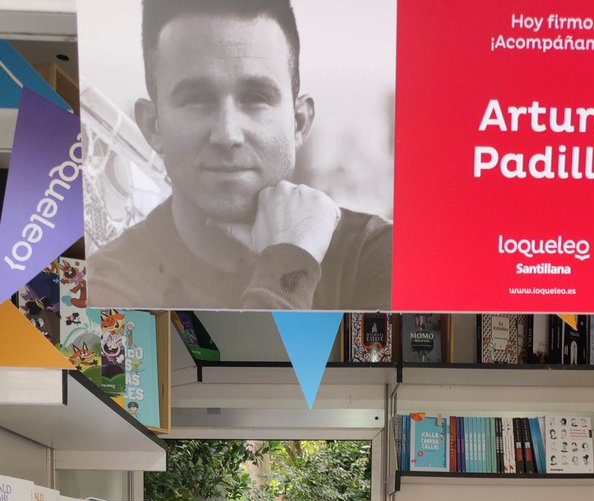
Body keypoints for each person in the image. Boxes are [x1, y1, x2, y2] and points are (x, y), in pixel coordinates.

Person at [88, 0, 392, 310]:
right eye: (197, 99)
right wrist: (290, 261)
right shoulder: (103, 288)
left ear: (299, 122)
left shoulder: (379, 256)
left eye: (256, 98)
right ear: (153, 126)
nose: (227, 134)